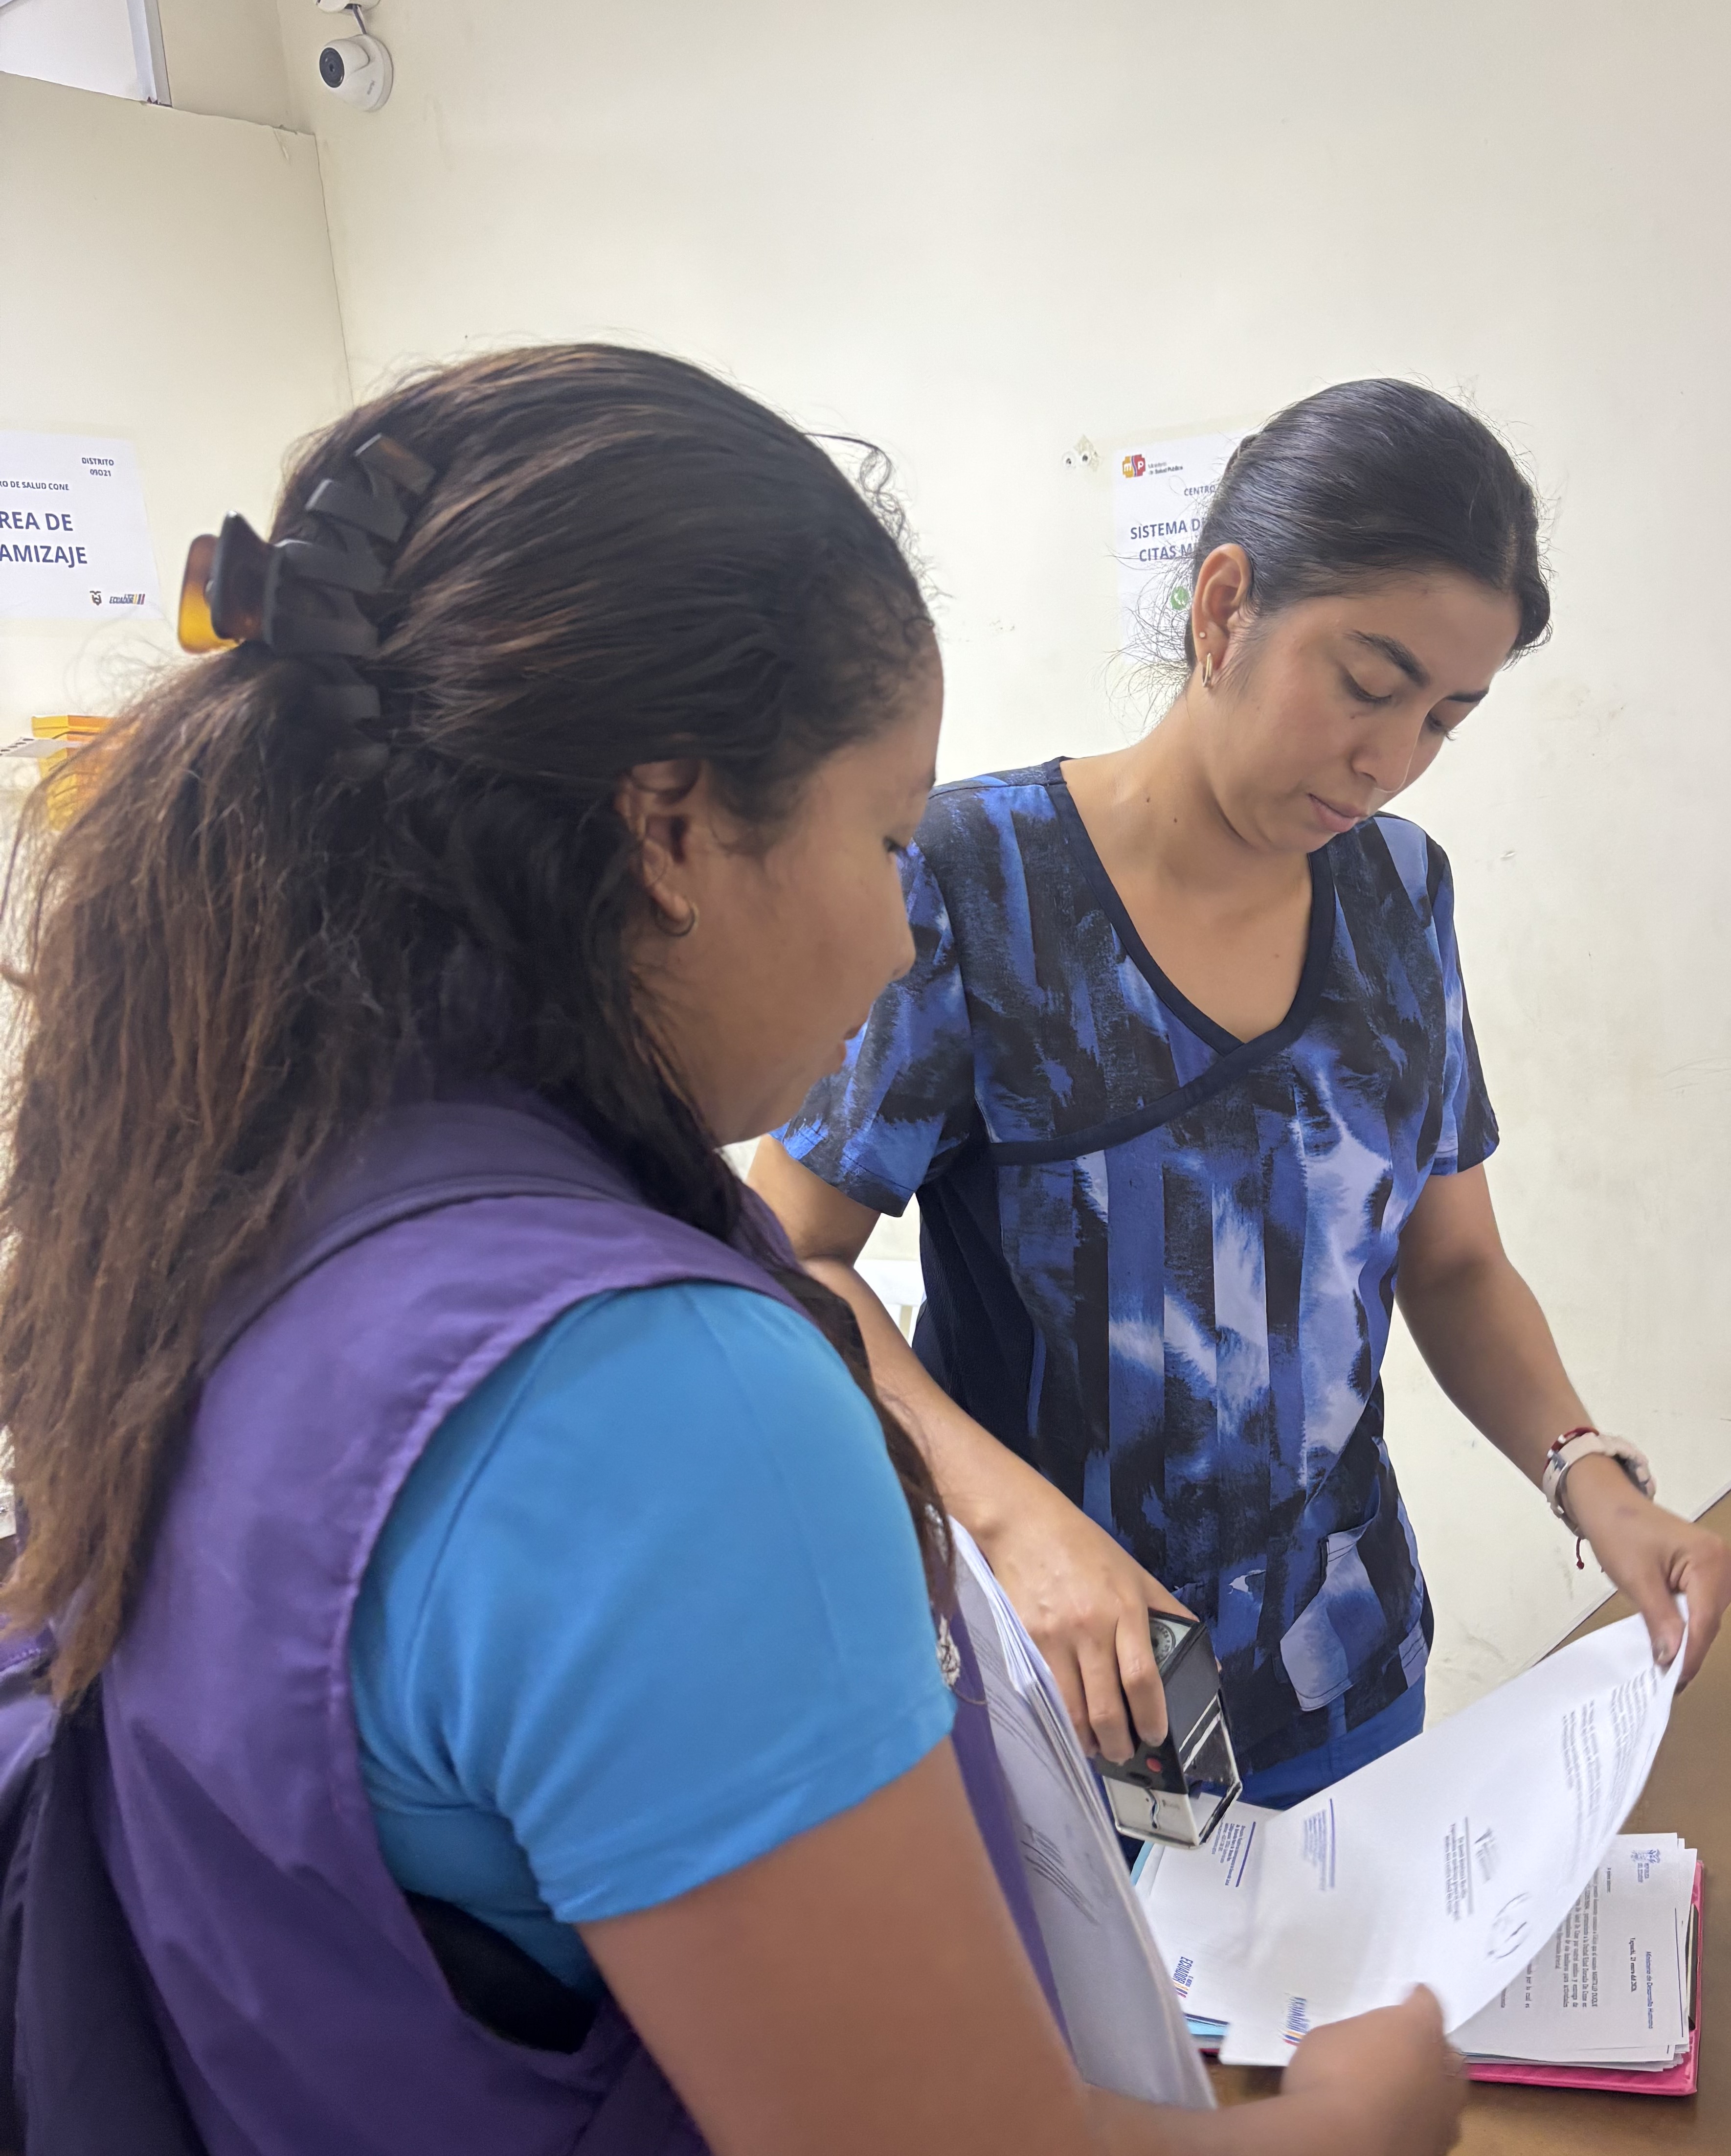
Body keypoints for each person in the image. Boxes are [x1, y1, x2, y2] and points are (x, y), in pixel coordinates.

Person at [0, 346, 1461, 2156]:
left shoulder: (242, 1183)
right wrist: (1359, 2120)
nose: (903, 942)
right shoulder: (653, 1404)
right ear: (672, 827)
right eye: (886, 840)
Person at [753, 379, 1731, 1805]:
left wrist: (1593, 1480)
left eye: (1445, 719)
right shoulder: (975, 882)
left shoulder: (1401, 893)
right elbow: (795, 1261)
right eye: (1369, 685)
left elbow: (1454, 1263)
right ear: (1223, 608)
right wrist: (1011, 1521)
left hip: (1343, 1669)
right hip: (1074, 1691)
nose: (1389, 761)